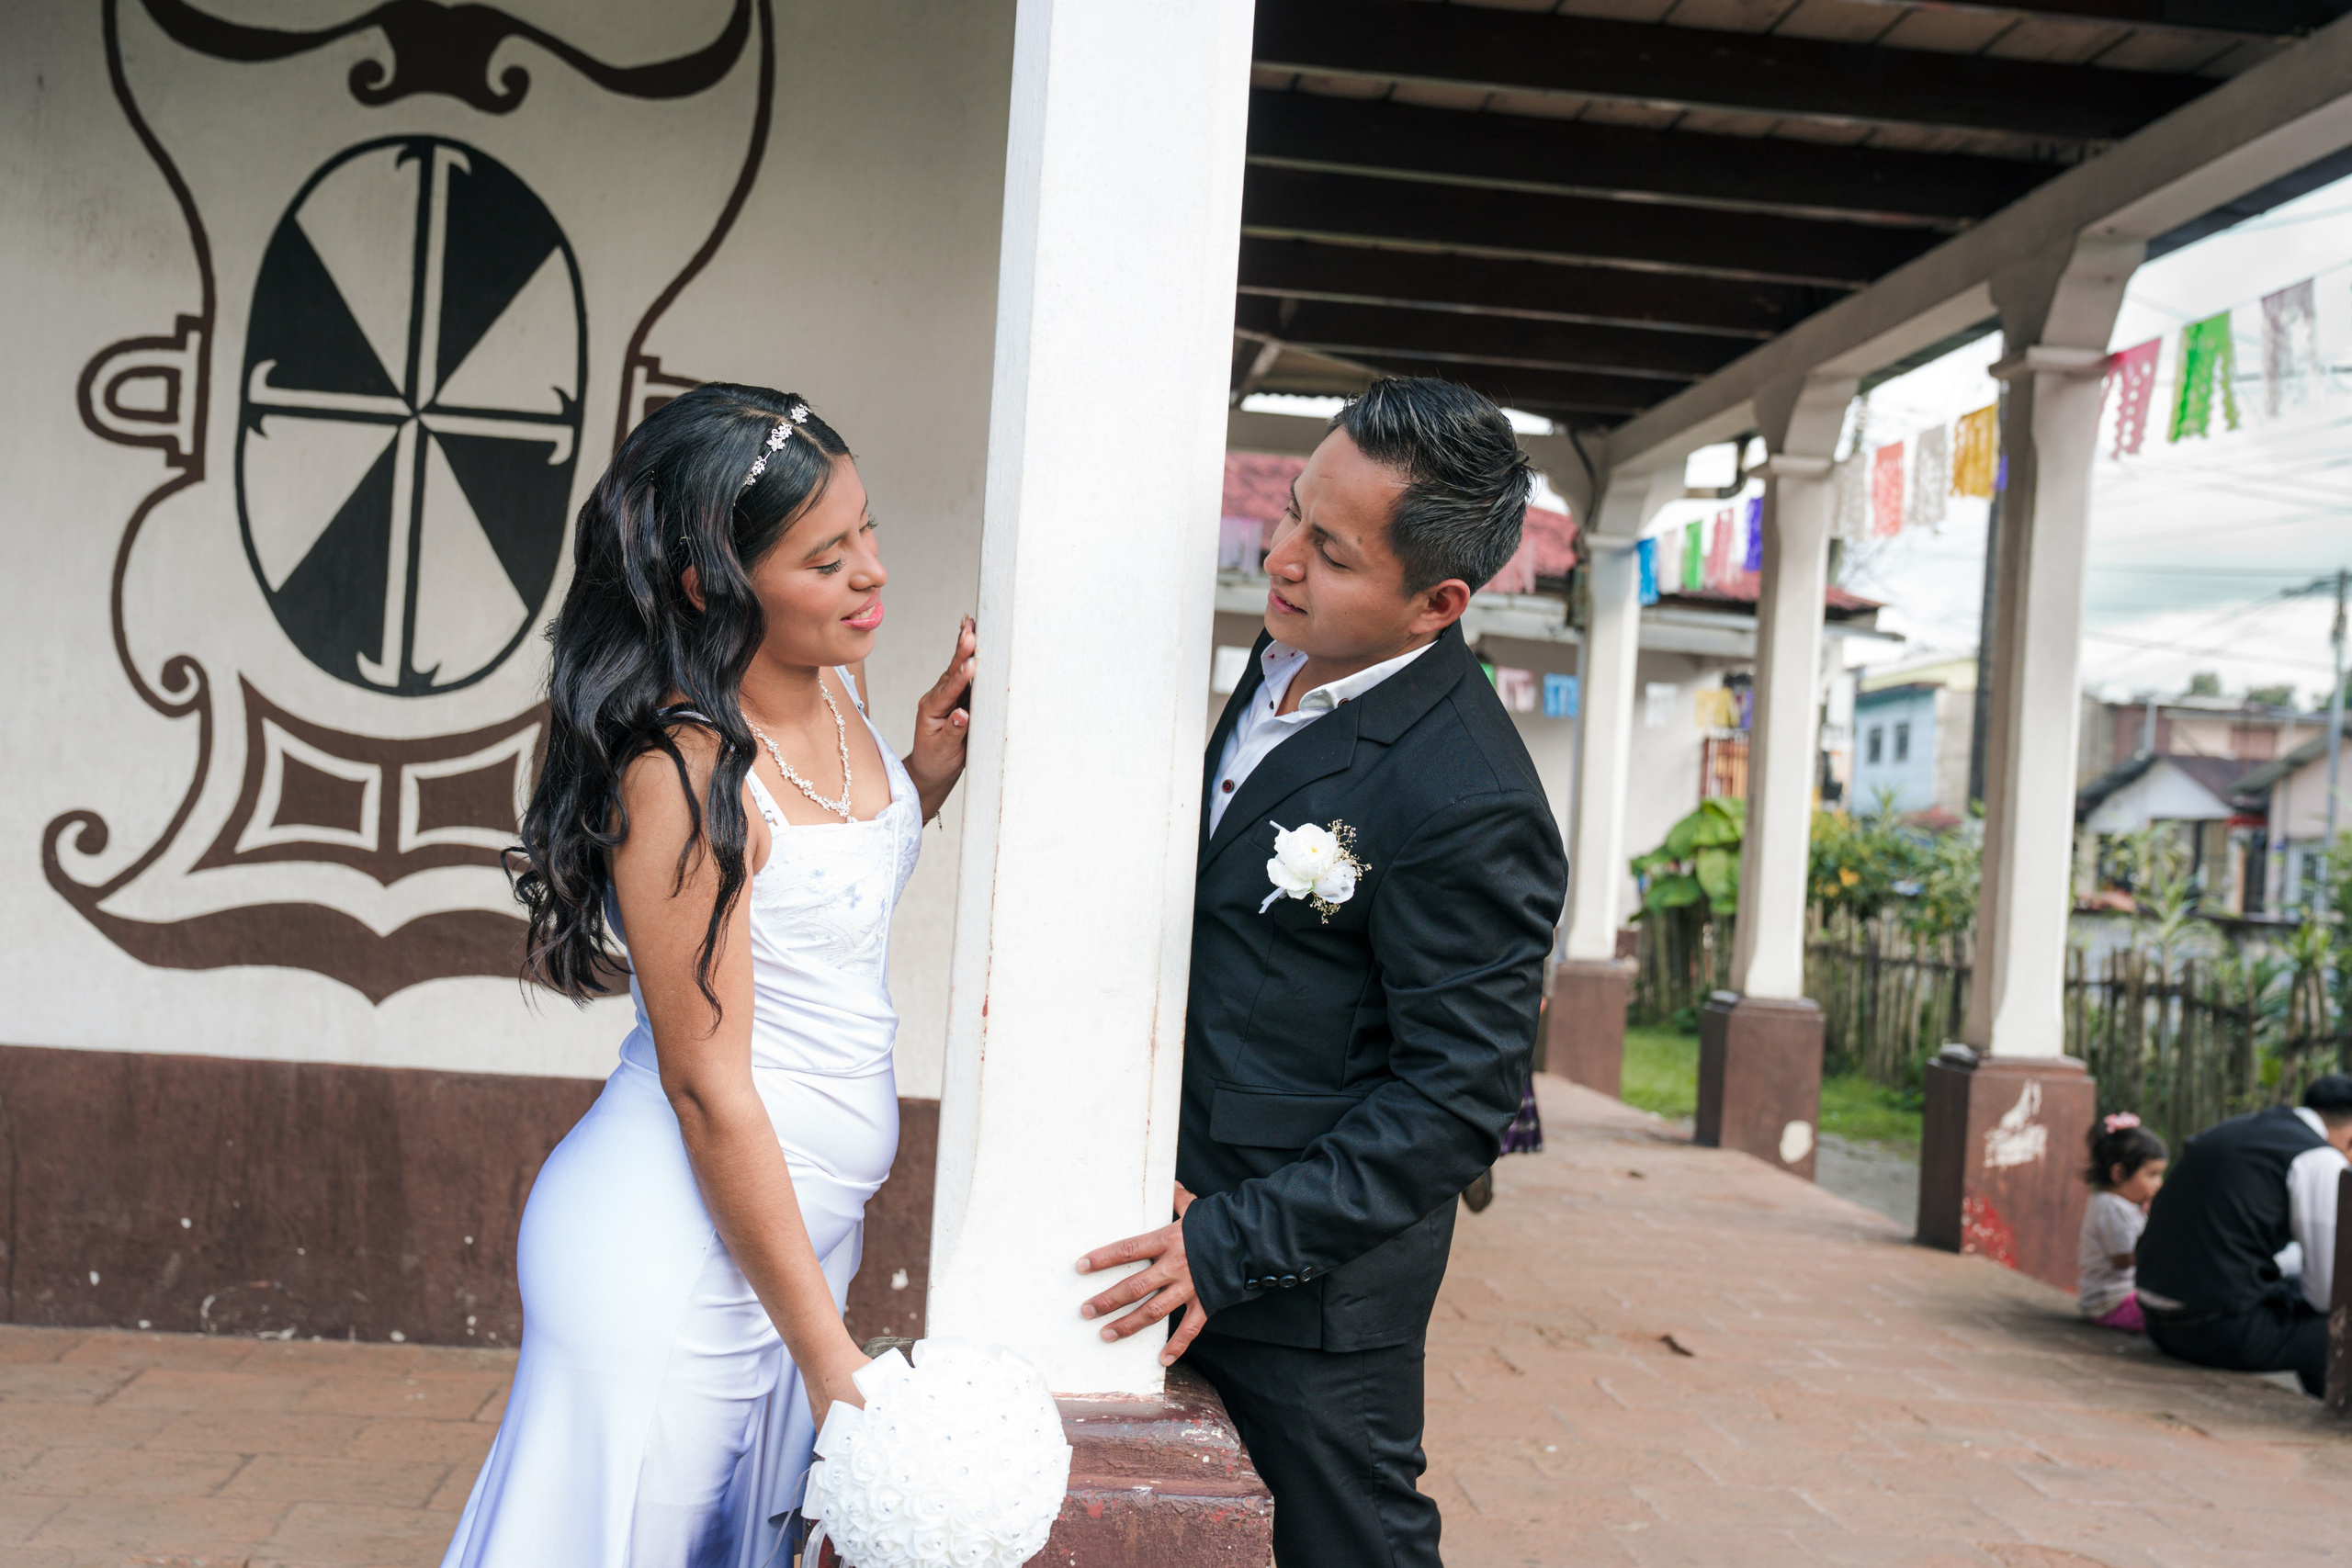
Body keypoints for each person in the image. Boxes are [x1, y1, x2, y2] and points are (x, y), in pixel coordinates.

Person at [438, 384, 976, 1567]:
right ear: (708, 585)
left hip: (794, 1234)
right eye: (825, 557)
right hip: (674, 1254)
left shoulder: (840, 685)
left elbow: (812, 915)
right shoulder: (682, 776)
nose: (872, 572)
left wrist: (921, 781)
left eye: (866, 530)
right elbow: (705, 1085)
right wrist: (828, 1352)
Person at [1073, 378, 1568, 1568]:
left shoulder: (1471, 797)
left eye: (1330, 549)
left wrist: (1231, 1242)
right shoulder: (1284, 649)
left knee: (1347, 1543)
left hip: (1305, 1290)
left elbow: (1454, 1101)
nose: (1281, 557)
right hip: (1167, 1210)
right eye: (1292, 512)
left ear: (1435, 603)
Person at [2135, 1074, 2352, 1397]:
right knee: (2336, 1321)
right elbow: (2328, 1295)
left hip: (2158, 1319)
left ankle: (2322, 1398)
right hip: (2214, 1330)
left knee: (2298, 1297)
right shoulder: (2320, 1158)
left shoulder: (2241, 1130)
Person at [2077, 1112, 2166, 1333]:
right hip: (2110, 1303)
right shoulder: (2112, 1207)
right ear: (2119, 1173)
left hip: (2115, 1299)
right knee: (2168, 1320)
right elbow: (2123, 1259)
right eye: (2152, 1174)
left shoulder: (2121, 1205)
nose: (2159, 1183)